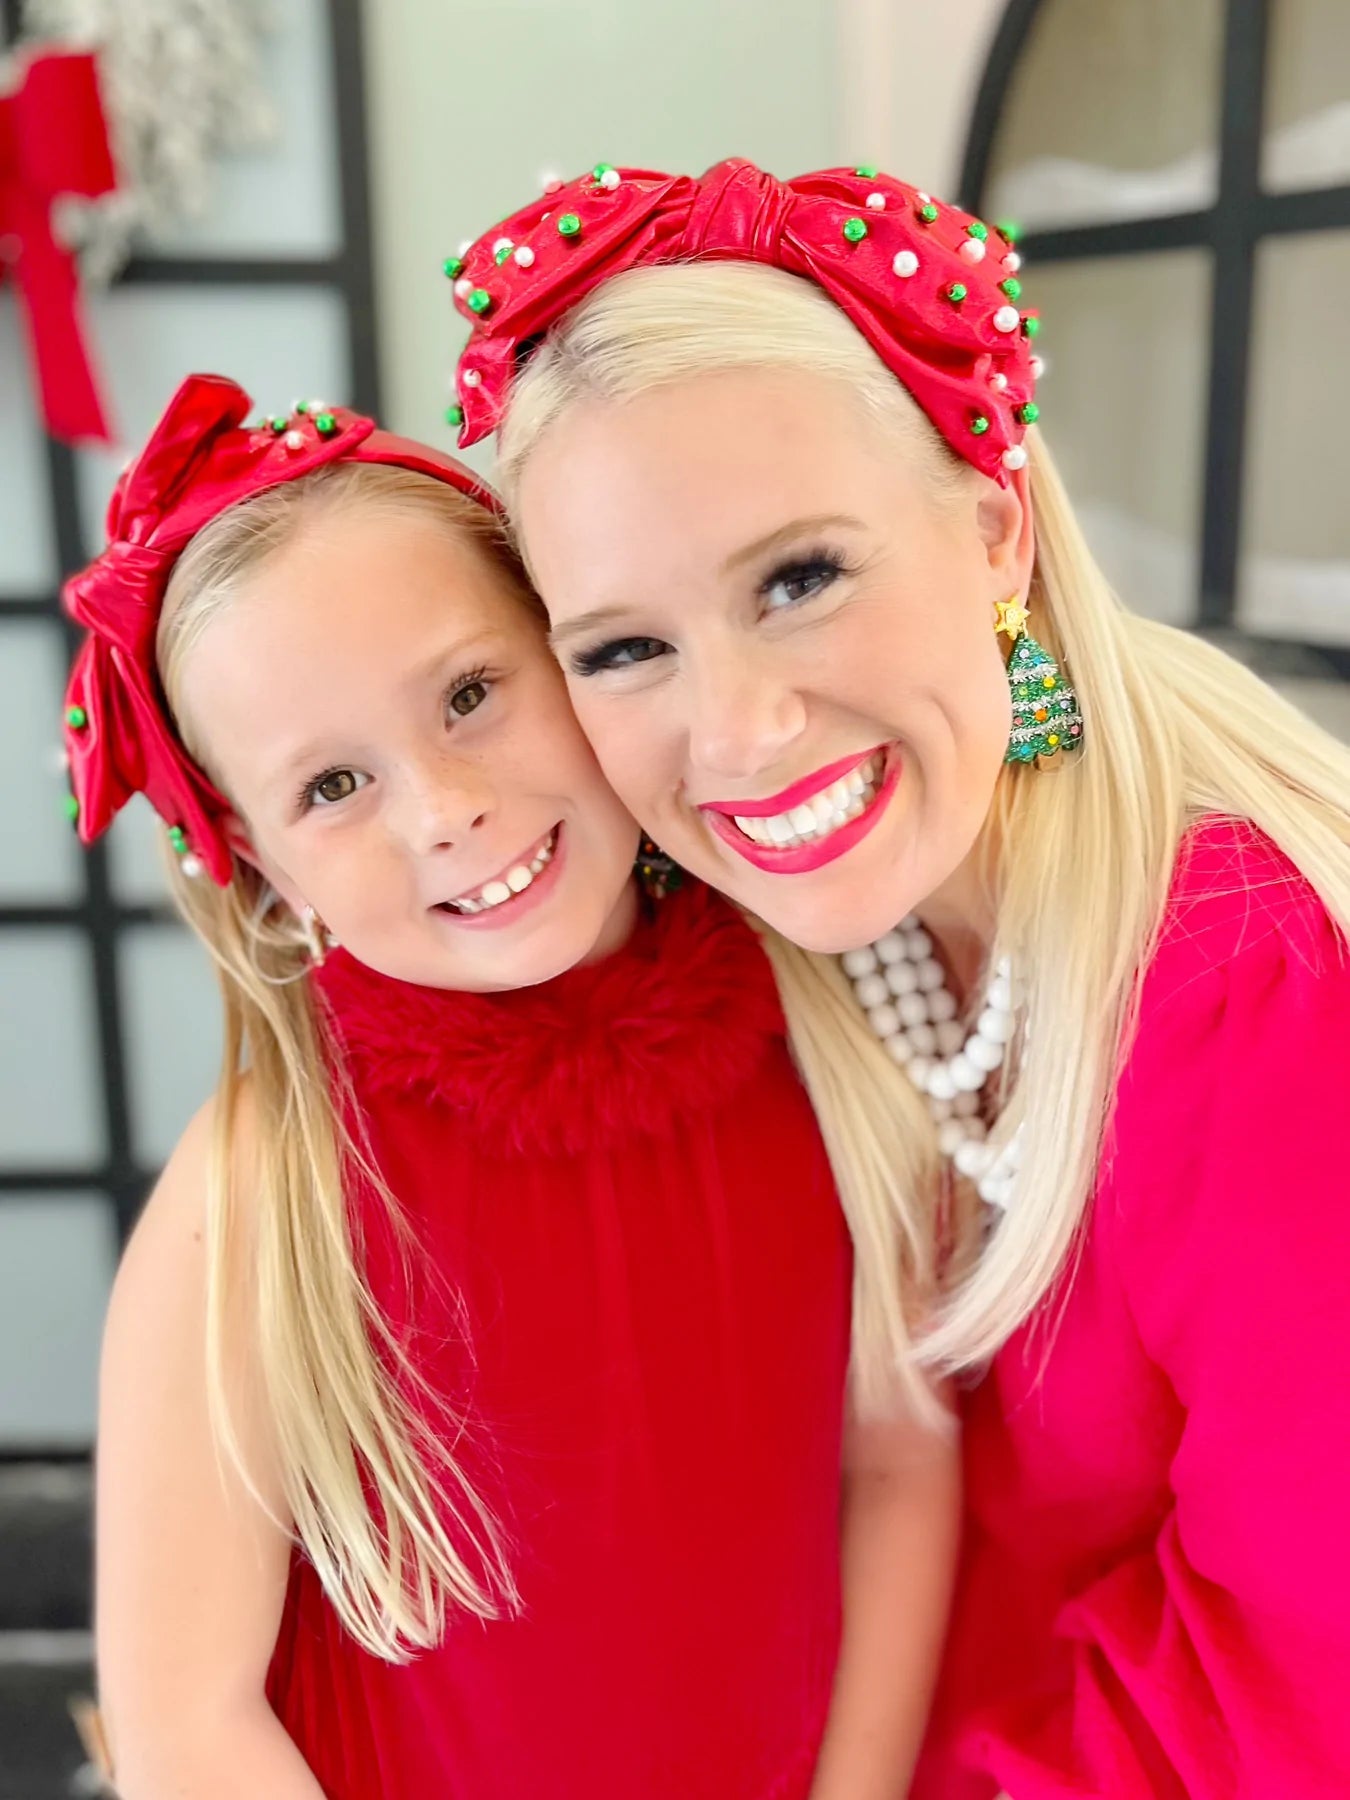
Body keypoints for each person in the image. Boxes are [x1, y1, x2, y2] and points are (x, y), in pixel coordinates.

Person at [448, 157, 1350, 1797]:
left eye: (800, 579)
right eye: (624, 648)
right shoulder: (790, 952)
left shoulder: (1246, 975)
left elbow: (1308, 1682)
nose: (737, 735)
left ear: (993, 531)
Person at [66, 372, 959, 1798]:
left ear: (581, 657)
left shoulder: (825, 1037)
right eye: (333, 787)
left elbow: (898, 1471)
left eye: (471, 695)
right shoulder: (258, 1198)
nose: (442, 809)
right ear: (263, 863)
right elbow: (188, 1723)